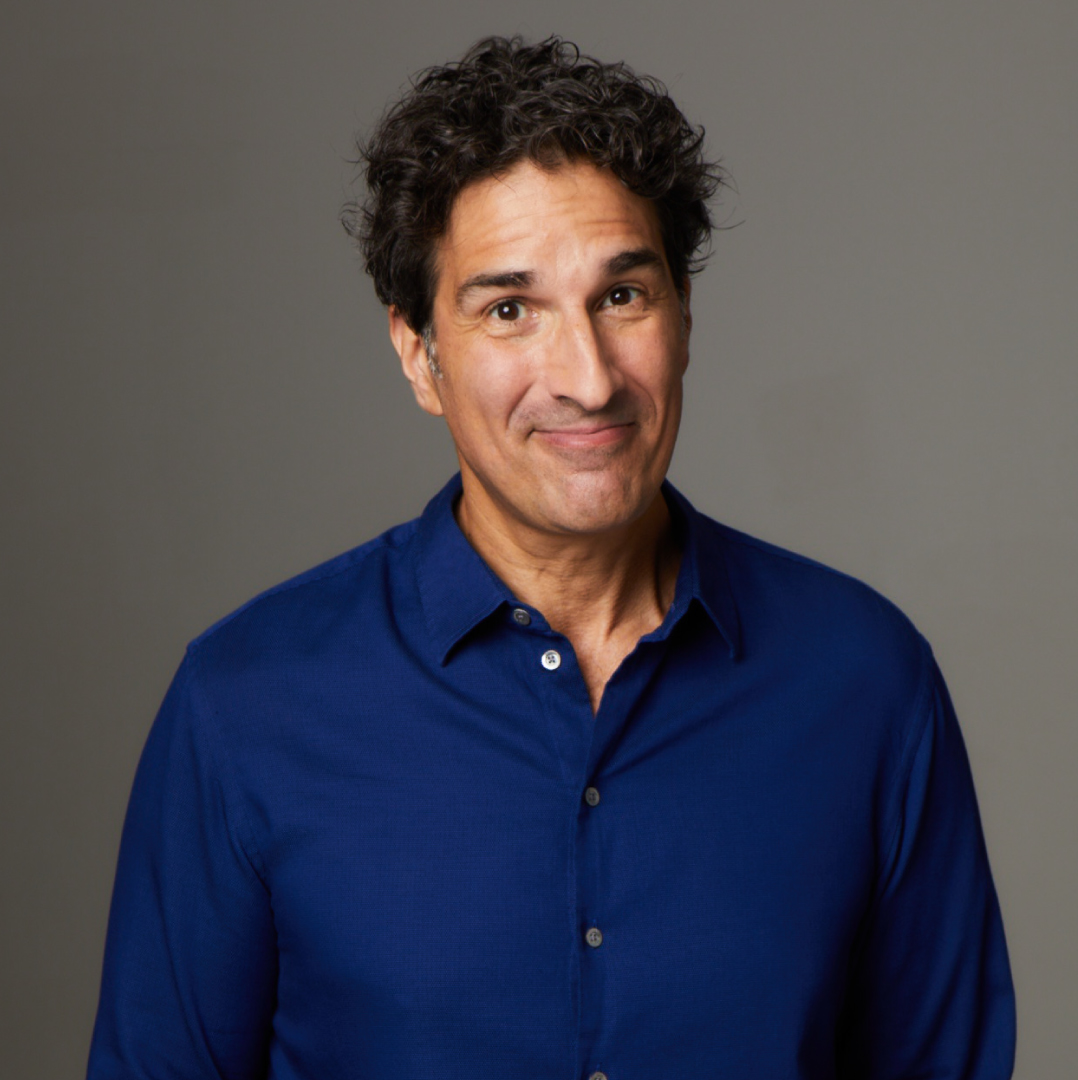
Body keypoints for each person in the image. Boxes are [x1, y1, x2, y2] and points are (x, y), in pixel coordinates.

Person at [87, 36, 1015, 1080]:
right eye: (509, 310)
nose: (587, 378)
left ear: (684, 315)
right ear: (418, 354)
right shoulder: (246, 704)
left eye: (622, 296)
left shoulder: (867, 681)